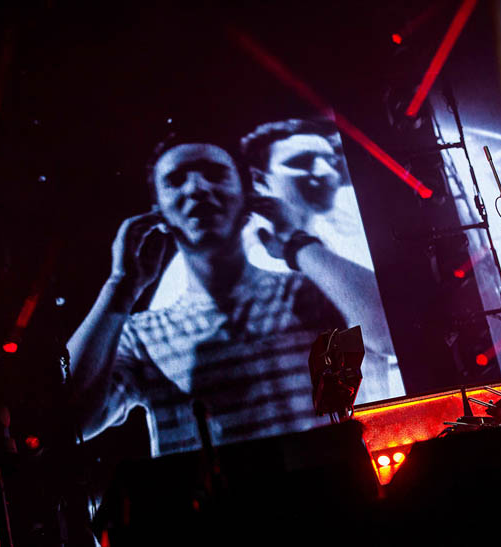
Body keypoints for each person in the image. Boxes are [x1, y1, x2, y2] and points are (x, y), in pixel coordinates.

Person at [67, 130, 390, 457]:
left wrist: (296, 241)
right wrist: (119, 288)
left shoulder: (313, 295)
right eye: (176, 180)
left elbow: (391, 334)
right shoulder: (141, 335)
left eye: (215, 174)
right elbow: (71, 423)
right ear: (158, 213)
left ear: (248, 198)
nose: (197, 188)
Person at [240, 118, 400, 403]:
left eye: (329, 160)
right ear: (260, 179)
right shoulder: (244, 257)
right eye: (301, 162)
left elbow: (391, 336)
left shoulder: (355, 230)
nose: (325, 172)